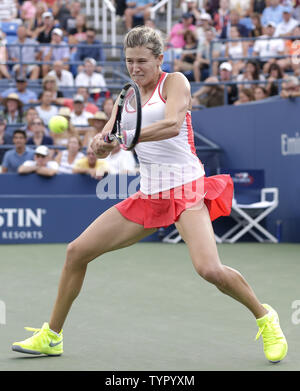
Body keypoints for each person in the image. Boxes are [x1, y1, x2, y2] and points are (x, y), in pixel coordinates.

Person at [11, 26, 288, 365]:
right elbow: (107, 148)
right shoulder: (125, 97)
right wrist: (99, 144)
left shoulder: (176, 83)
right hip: (149, 193)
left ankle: (265, 318)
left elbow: (172, 124)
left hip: (186, 189)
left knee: (209, 270)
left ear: (159, 59)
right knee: (76, 252)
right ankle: (52, 336)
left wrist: (127, 135)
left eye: (142, 60)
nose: (135, 67)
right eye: (129, 61)